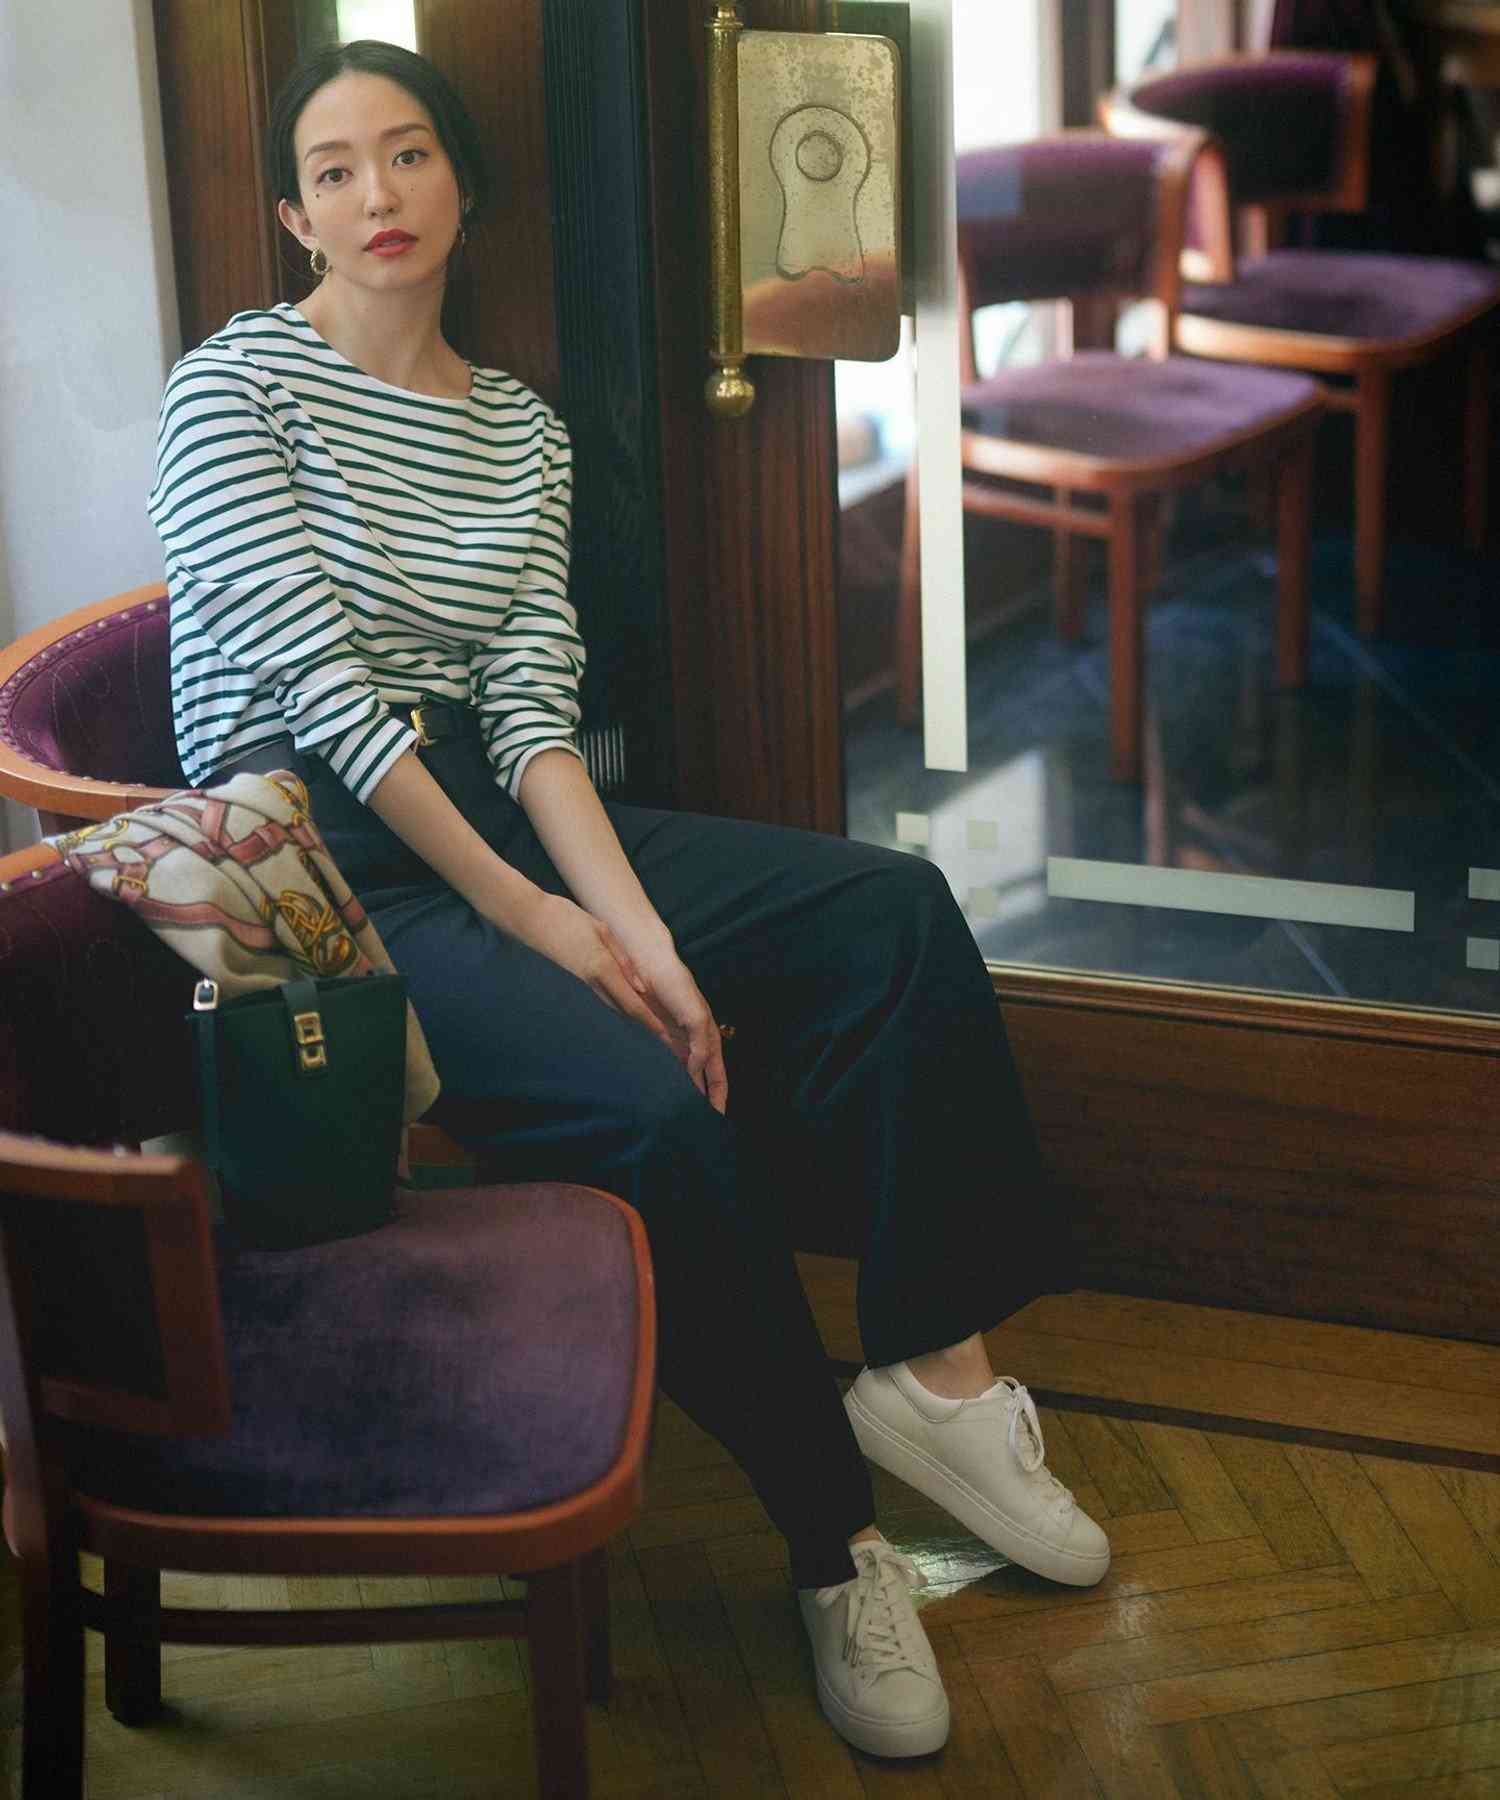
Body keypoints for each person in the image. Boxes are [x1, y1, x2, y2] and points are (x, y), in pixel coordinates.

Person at [148, 38, 1110, 1761]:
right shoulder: (231, 389)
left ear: (462, 184)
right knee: (658, 1111)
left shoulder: (519, 430)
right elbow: (336, 710)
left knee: (890, 913)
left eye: (410, 154)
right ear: (294, 215)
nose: (379, 195)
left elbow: (531, 718)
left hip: (489, 808)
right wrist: (550, 931)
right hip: (323, 864)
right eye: (336, 169)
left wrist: (643, 936)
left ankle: (935, 1379)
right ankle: (834, 1544)